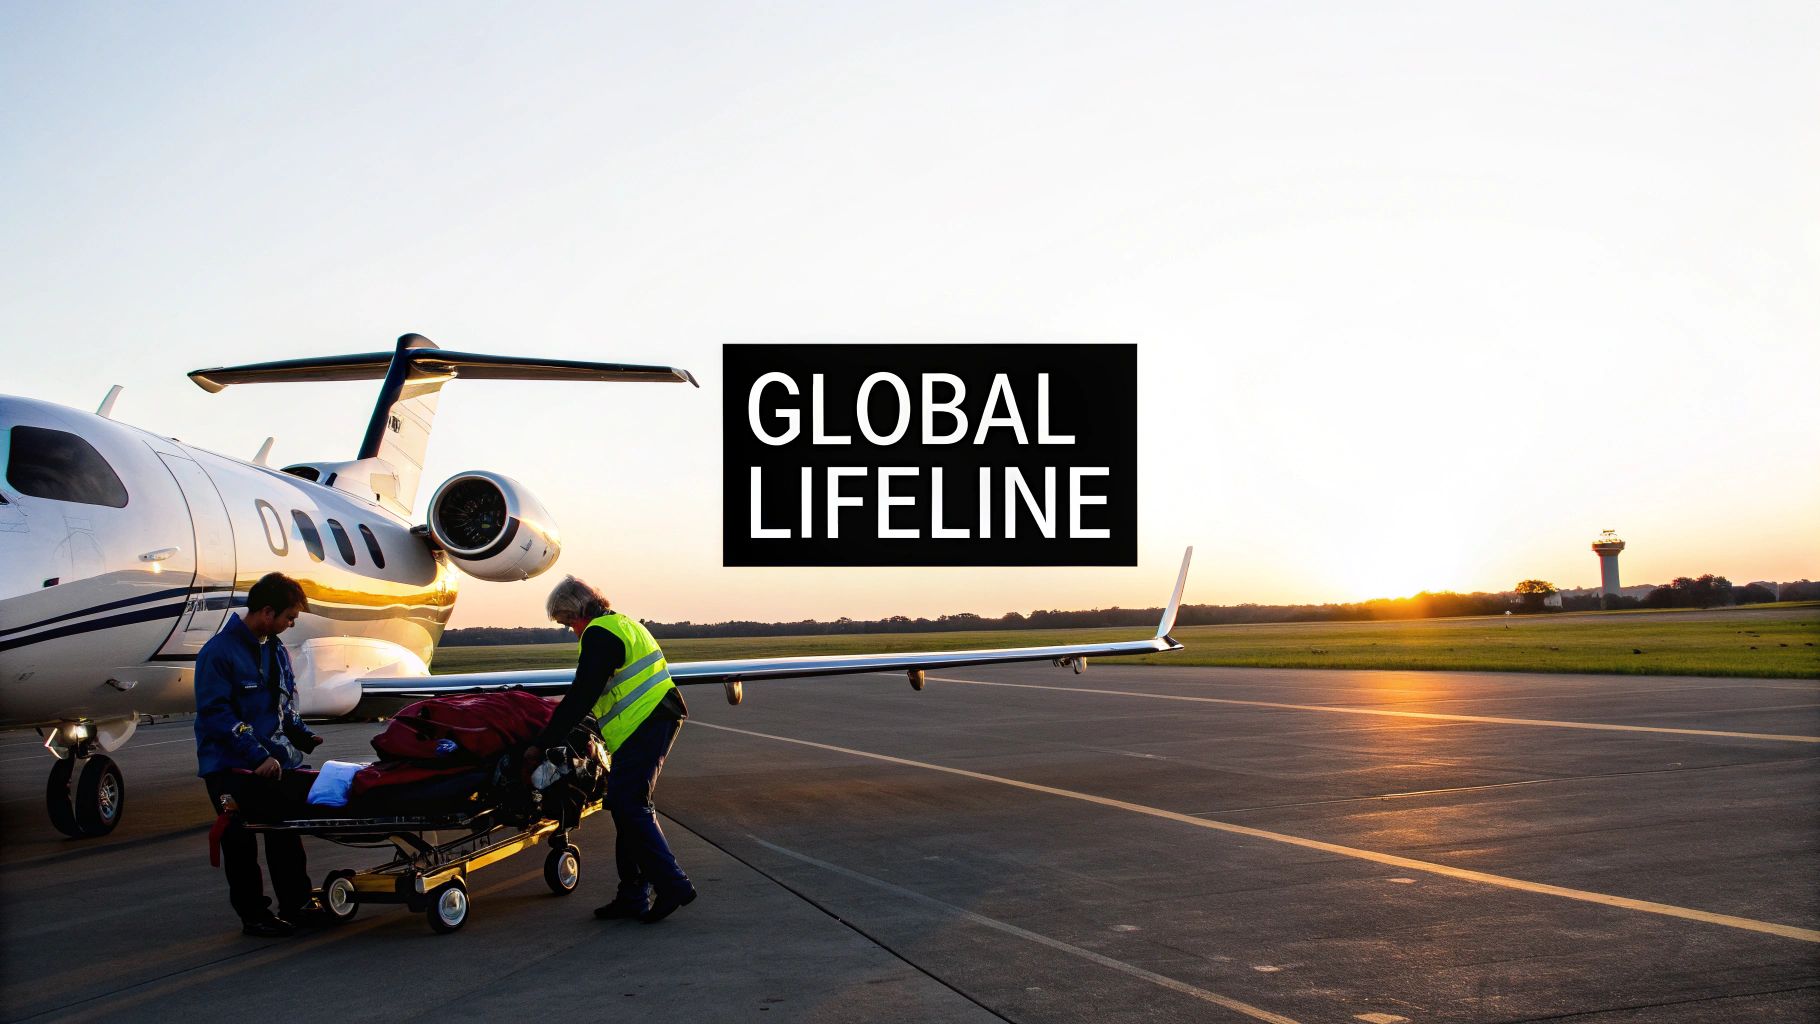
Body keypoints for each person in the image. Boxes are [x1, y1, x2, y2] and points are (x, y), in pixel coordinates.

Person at [533, 575, 695, 923]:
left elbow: (583, 693)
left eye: (568, 621)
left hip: (647, 723)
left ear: (579, 611)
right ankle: (633, 896)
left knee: (629, 805)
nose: (571, 630)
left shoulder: (598, 634)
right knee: (625, 809)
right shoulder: (624, 625)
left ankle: (673, 884)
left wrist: (546, 741)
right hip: (651, 722)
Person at [194, 572, 323, 938]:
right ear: (267, 611)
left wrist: (301, 735)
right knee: (240, 841)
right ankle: (255, 916)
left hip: (272, 764)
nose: (291, 624)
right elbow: (218, 715)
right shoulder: (218, 654)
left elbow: (282, 705)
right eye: (289, 617)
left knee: (285, 833)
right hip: (230, 768)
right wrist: (257, 758)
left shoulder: (275, 649)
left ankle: (296, 904)